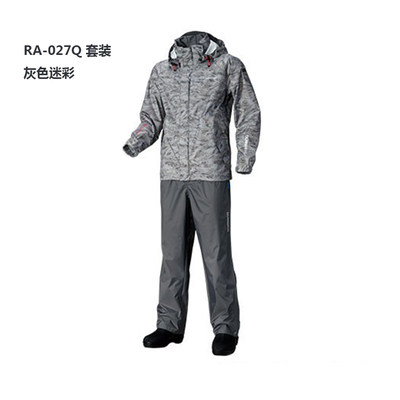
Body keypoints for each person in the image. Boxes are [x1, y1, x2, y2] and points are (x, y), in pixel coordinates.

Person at [123, 31, 261, 355]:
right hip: (172, 173)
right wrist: (135, 142)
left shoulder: (228, 66)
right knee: (172, 254)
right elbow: (151, 118)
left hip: (210, 171)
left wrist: (245, 156)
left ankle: (225, 327)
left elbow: (248, 112)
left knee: (216, 253)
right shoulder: (162, 71)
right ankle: (168, 324)